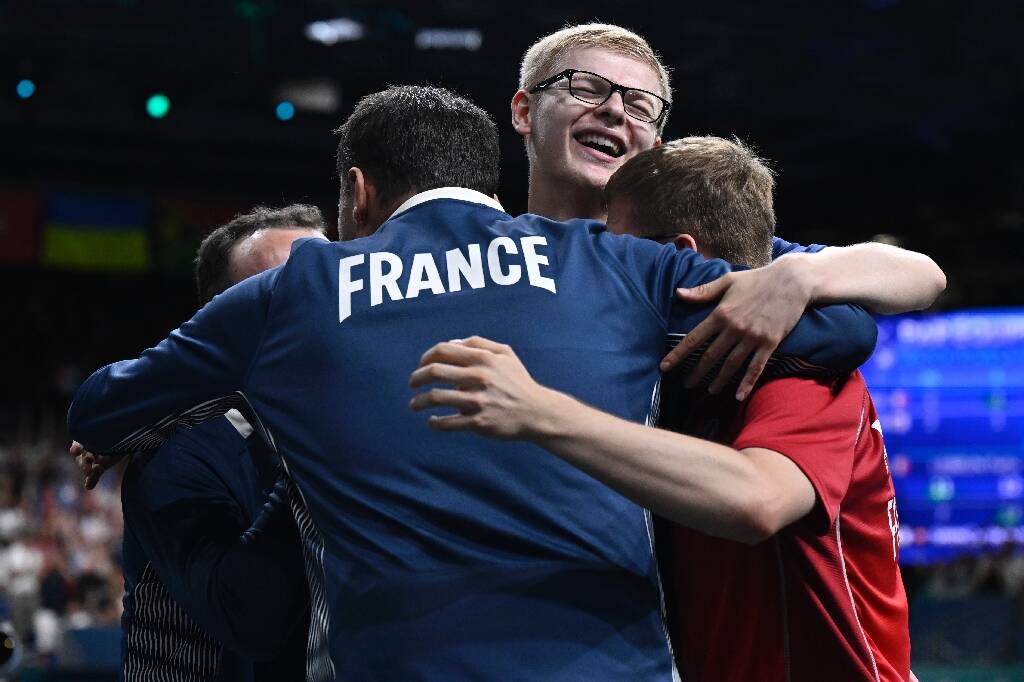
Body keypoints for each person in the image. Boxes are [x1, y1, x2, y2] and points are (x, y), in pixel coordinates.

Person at [67, 86, 876, 681]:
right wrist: (800, 274)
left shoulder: (295, 290)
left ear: (358, 192)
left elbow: (103, 404)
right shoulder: (606, 260)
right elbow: (843, 330)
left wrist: (123, 433)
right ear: (488, 183)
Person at [410, 137, 923, 681]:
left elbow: (758, 499)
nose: (605, 272)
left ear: (681, 255)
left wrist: (539, 413)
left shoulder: (799, 375)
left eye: (619, 252)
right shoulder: (669, 373)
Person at [512, 23, 945, 397]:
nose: (612, 110)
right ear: (525, 111)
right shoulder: (475, 244)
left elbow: (922, 277)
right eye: (586, 88)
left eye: (639, 106)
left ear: (654, 150)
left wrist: (799, 273)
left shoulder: (693, 255)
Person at [74, 205, 324, 681]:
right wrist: (322, 453)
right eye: (282, 290)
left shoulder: (349, 423)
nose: (315, 305)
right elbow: (251, 620)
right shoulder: (174, 454)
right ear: (222, 318)